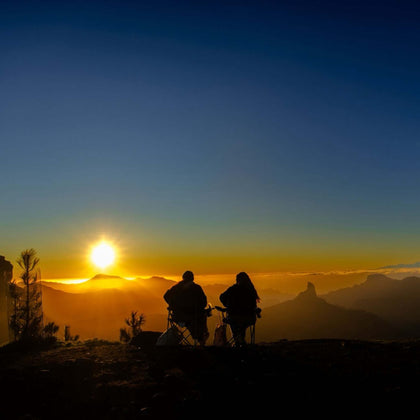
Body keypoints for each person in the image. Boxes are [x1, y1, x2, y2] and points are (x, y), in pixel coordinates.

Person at [163, 271, 209, 345]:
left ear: (183, 278)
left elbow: (165, 296)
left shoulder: (176, 288)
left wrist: (172, 305)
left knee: (197, 319)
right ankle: (201, 341)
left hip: (177, 317)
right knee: (202, 317)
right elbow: (204, 302)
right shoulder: (197, 288)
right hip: (193, 317)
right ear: (193, 279)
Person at [219, 272, 260, 346]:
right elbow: (254, 305)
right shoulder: (251, 290)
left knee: (235, 323)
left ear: (237, 280)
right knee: (241, 327)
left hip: (234, 317)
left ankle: (238, 341)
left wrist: (227, 305)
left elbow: (221, 297)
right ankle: (240, 341)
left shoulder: (233, 289)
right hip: (249, 318)